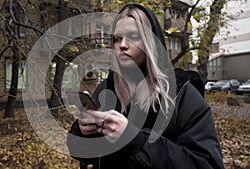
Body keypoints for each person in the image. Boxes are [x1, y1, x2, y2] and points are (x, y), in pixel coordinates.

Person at [67, 3, 224, 169]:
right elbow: (83, 154)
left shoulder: (181, 93)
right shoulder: (106, 89)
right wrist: (83, 131)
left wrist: (135, 141)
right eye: (117, 39)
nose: (122, 45)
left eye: (133, 36)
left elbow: (207, 164)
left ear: (151, 42)